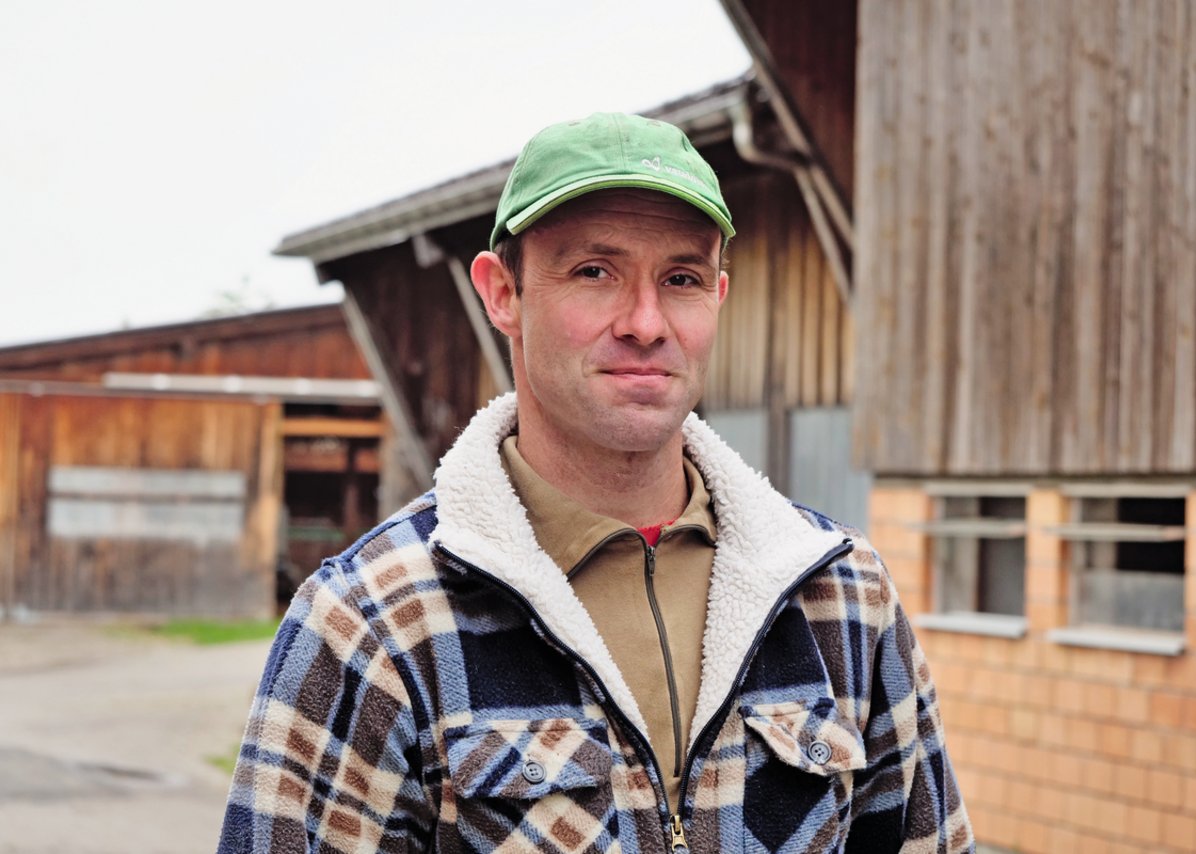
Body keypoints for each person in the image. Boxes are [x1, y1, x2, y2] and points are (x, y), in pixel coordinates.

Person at [218, 113, 973, 853]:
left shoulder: (842, 598)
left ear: (717, 298)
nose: (646, 322)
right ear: (503, 293)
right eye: (594, 272)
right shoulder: (374, 623)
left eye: (680, 278)